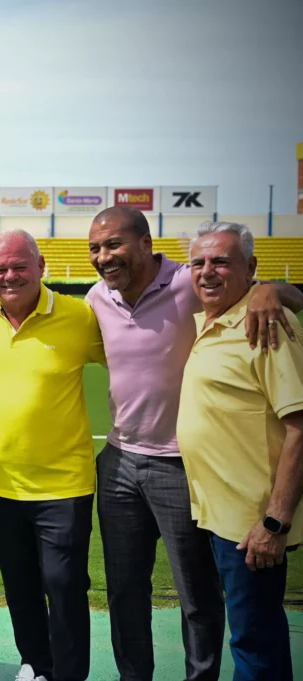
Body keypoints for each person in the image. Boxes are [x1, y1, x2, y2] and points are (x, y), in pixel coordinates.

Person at [86, 207, 302, 681]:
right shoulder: (97, 297)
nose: (105, 257)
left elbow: (267, 291)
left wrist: (272, 289)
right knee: (124, 590)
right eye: (96, 249)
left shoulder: (190, 282)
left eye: (115, 244)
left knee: (197, 594)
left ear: (146, 243)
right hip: (120, 461)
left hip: (182, 468)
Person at [0, 229, 104, 681]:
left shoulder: (79, 316)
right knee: (19, 586)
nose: (10, 275)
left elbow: (131, 358)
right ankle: (37, 665)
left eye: (20, 266)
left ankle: (69, 673)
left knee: (64, 584)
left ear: (42, 268)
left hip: (65, 484)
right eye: (0, 269)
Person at [177, 221, 303, 680]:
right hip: (211, 514)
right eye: (199, 262)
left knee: (254, 641)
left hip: (251, 523)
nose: (207, 272)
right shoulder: (210, 321)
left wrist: (275, 521)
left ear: (251, 268)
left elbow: (300, 428)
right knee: (251, 634)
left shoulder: (266, 323)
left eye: (221, 262)